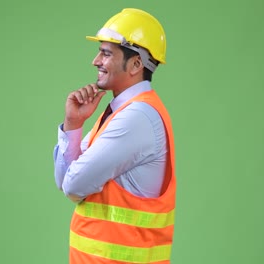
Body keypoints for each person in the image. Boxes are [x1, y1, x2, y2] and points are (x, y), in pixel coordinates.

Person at [53, 8, 177, 264]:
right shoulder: (118, 112)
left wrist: (74, 180)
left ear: (135, 64)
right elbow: (65, 179)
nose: (95, 61)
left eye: (106, 53)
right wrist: (73, 124)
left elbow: (73, 186)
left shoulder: (136, 118)